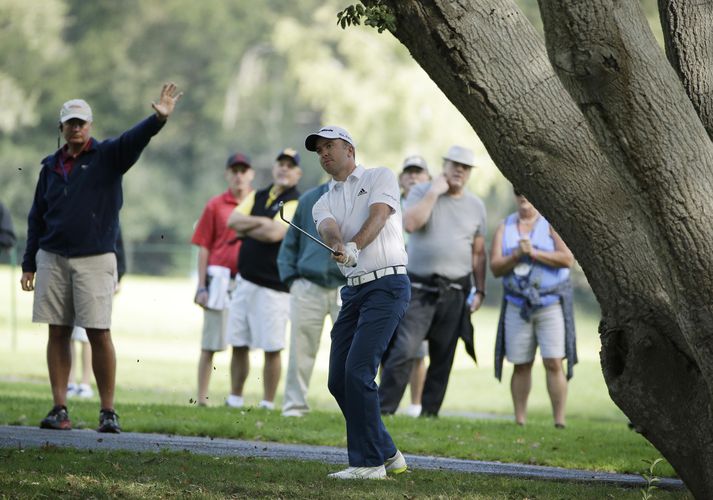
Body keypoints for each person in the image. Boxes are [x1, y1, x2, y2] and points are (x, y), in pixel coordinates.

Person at [20, 82, 182, 433]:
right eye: (70, 123)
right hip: (52, 256)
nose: (76, 128)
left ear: (89, 125)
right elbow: (37, 216)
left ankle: (108, 411)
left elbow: (133, 139)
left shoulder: (108, 156)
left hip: (94, 258)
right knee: (58, 331)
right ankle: (59, 407)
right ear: (61, 128)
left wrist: (158, 120)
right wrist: (29, 262)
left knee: (98, 331)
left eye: (81, 122)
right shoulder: (50, 166)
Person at [307, 125, 410, 480]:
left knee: (358, 371)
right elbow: (328, 227)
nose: (323, 153)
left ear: (349, 148)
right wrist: (338, 245)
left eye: (329, 146)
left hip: (388, 285)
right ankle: (387, 453)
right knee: (339, 379)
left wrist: (355, 246)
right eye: (319, 149)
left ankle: (368, 464)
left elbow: (379, 215)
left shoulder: (380, 176)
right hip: (353, 292)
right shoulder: (323, 199)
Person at [379, 145, 486, 418]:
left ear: (470, 172)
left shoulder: (476, 206)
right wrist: (434, 192)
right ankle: (384, 409)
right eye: (454, 165)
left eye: (465, 167)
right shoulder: (421, 192)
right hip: (418, 289)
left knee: (443, 356)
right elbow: (411, 224)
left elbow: (478, 251)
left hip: (455, 291)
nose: (459, 170)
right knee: (403, 350)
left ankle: (430, 414)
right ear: (444, 166)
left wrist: (480, 289)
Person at [490, 189, 576, 428]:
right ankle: (520, 420)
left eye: (528, 192)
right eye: (518, 193)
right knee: (521, 362)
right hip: (517, 304)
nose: (524, 197)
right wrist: (517, 255)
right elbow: (496, 268)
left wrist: (534, 253)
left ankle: (559, 421)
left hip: (550, 304)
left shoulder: (551, 223)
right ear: (514, 197)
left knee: (554, 361)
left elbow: (567, 258)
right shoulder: (504, 227)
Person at [224, 148, 301, 410]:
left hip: (275, 288)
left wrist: (252, 226)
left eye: (290, 166)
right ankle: (235, 398)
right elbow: (233, 221)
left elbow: (275, 234)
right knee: (239, 343)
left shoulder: (295, 202)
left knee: (271, 347)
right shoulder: (257, 195)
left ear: (297, 173)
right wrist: (263, 222)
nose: (284, 169)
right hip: (246, 281)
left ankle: (268, 403)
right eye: (281, 163)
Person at [191, 152, 254, 406]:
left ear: (251, 174)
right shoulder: (215, 205)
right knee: (211, 343)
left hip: (247, 279)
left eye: (243, 170)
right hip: (218, 279)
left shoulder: (258, 202)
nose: (239, 175)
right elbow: (204, 246)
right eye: (234, 170)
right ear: (228, 174)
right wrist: (201, 285)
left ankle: (235, 397)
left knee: (242, 342)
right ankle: (202, 398)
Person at [277, 182, 345, 417]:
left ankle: (355, 411)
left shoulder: (360, 196)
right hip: (308, 286)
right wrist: (291, 280)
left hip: (347, 286)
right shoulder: (309, 199)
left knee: (352, 353)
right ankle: (294, 407)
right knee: (301, 350)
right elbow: (290, 242)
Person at [392, 155, 431, 417]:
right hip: (393, 278)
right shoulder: (392, 205)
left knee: (418, 349)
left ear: (427, 178)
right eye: (409, 172)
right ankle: (388, 401)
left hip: (419, 284)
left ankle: (416, 405)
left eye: (419, 173)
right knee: (389, 345)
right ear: (401, 178)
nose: (413, 177)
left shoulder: (430, 205)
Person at [67, 227, 126, 400]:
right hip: (73, 272)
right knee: (68, 333)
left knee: (88, 335)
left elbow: (118, 249)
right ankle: (70, 381)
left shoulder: (107, 215)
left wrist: (118, 277)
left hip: (98, 277)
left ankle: (85, 382)